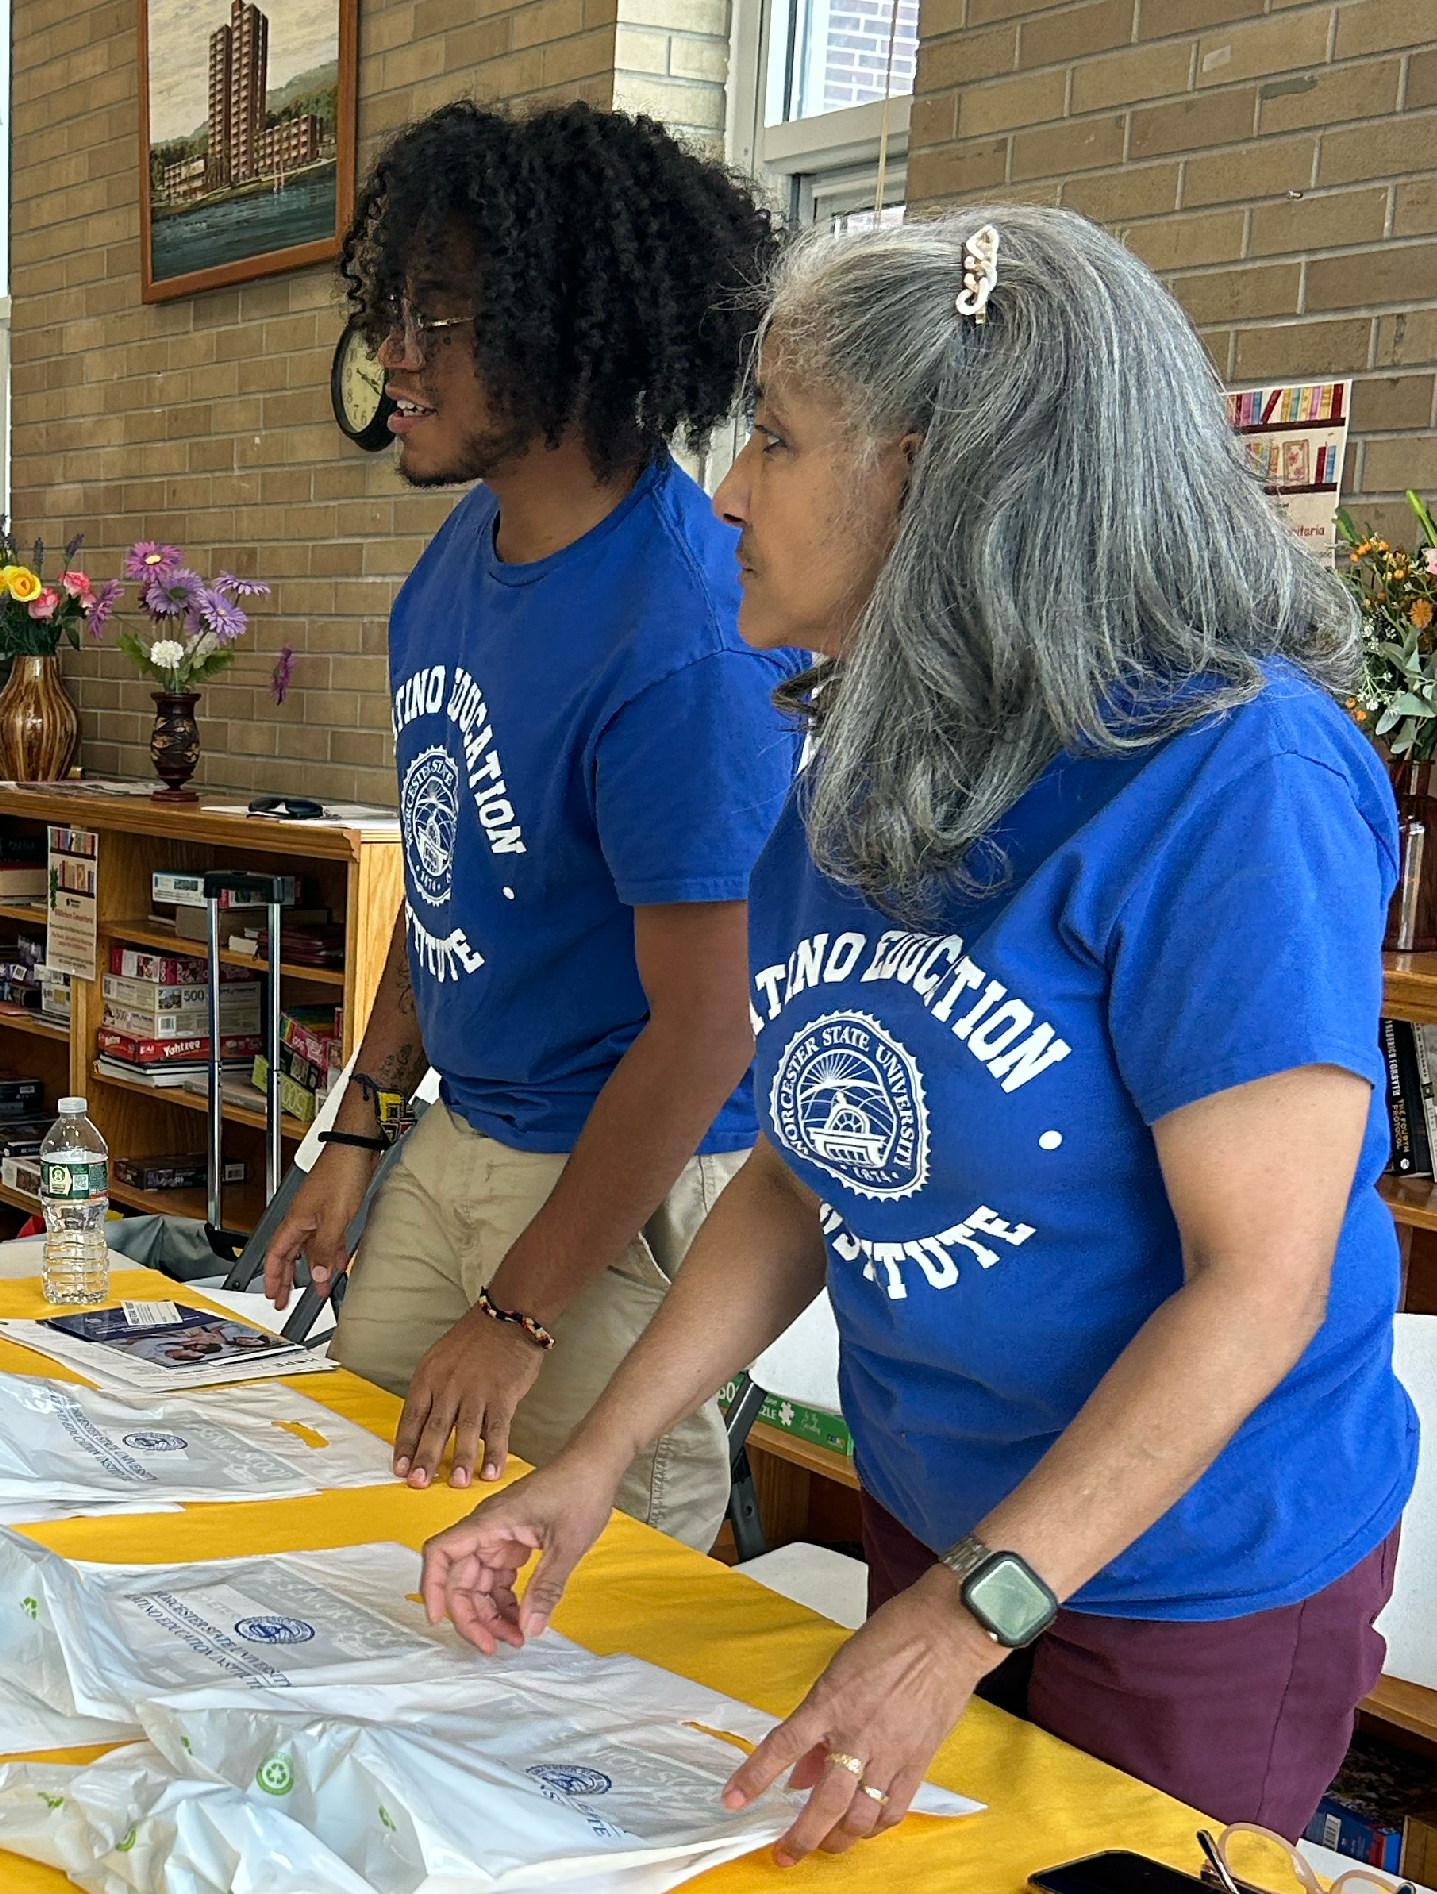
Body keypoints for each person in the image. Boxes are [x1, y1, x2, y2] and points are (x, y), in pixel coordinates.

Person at [421, 206, 1412, 1853]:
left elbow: (1262, 1278)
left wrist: (962, 1619)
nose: (729, 491)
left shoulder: (1236, 781)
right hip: (943, 1517)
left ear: (936, 473)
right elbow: (809, 1165)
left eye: (781, 438)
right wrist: (590, 1456)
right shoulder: (869, 759)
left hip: (1181, 1568)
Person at [258, 100, 801, 1548]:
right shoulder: (455, 559)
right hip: (463, 1132)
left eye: (442, 317)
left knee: (573, 1616)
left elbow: (706, 1032)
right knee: (347, 1520)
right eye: (392, 311)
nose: (398, 357)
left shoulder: (681, 632)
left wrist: (522, 1308)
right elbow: (442, 887)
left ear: (571, 327)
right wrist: (356, 1129)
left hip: (615, 1179)